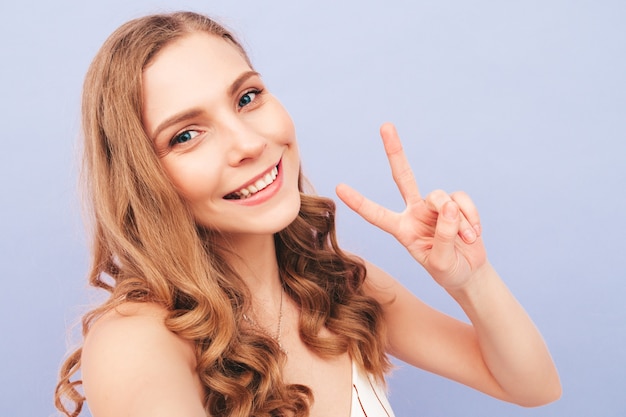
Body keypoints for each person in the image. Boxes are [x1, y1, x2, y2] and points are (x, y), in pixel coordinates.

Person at [54, 11, 561, 417]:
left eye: (247, 97)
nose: (249, 143)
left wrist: (471, 280)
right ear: (142, 179)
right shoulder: (136, 339)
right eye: (186, 134)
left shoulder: (338, 289)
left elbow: (532, 386)